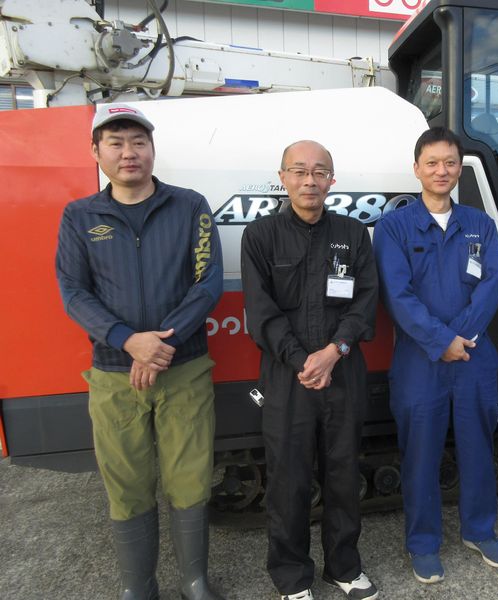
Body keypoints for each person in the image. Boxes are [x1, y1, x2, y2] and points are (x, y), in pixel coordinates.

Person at [55, 103, 224, 600]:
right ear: (96, 152)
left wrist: (162, 345)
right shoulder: (80, 216)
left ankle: (194, 581)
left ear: (152, 149)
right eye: (116, 143)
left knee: (190, 478)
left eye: (138, 142)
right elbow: (73, 291)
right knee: (126, 484)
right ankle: (139, 586)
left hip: (184, 368)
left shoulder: (190, 206)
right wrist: (128, 340)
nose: (128, 152)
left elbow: (207, 282)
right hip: (114, 375)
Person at [240, 141, 379, 600]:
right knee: (288, 481)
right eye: (299, 171)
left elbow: (365, 302)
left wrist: (335, 351)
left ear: (331, 180)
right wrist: (304, 360)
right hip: (287, 378)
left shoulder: (353, 234)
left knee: (343, 475)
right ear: (282, 177)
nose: (310, 180)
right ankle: (292, 576)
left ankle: (344, 567)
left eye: (320, 172)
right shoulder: (260, 236)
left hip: (343, 372)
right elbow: (261, 312)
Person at [373, 127, 498, 584]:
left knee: (478, 448)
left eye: (450, 162)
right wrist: (440, 341)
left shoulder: (480, 224)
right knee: (420, 455)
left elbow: (492, 286)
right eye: (432, 162)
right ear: (416, 168)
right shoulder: (393, 228)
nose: (441, 170)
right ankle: (423, 543)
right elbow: (398, 296)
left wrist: (461, 338)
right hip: (420, 361)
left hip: (473, 356)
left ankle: (479, 530)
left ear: (459, 169)